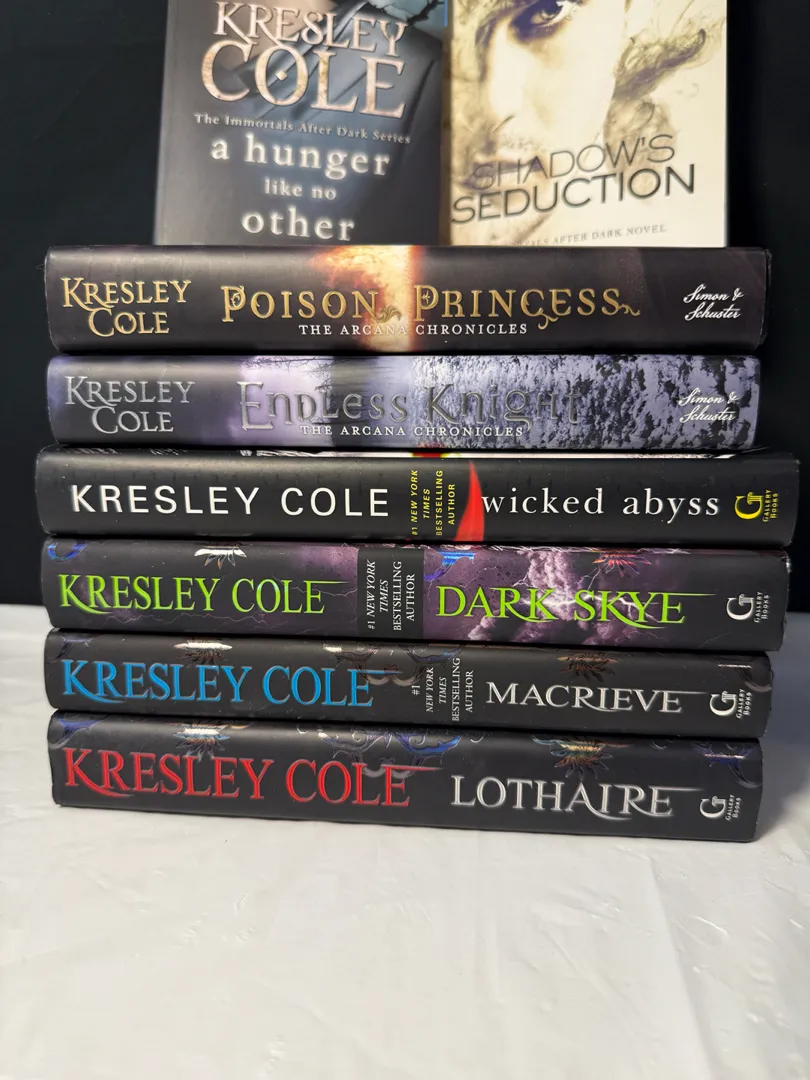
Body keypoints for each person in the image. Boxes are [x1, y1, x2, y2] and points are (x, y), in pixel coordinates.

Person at [449, 0, 726, 245]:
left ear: (636, 7)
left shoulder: (692, 269)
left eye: (548, 9)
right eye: (442, 37)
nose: (495, 106)